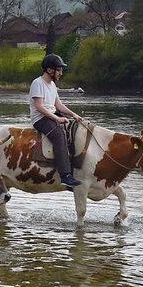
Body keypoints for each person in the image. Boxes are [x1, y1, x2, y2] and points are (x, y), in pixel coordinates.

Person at [29, 53, 84, 189]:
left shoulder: (52, 85)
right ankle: (65, 175)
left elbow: (58, 105)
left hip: (51, 115)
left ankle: (73, 170)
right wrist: (57, 118)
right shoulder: (38, 83)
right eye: (59, 69)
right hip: (40, 119)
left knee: (73, 130)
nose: (61, 73)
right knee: (59, 134)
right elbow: (39, 107)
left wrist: (74, 115)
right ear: (49, 70)